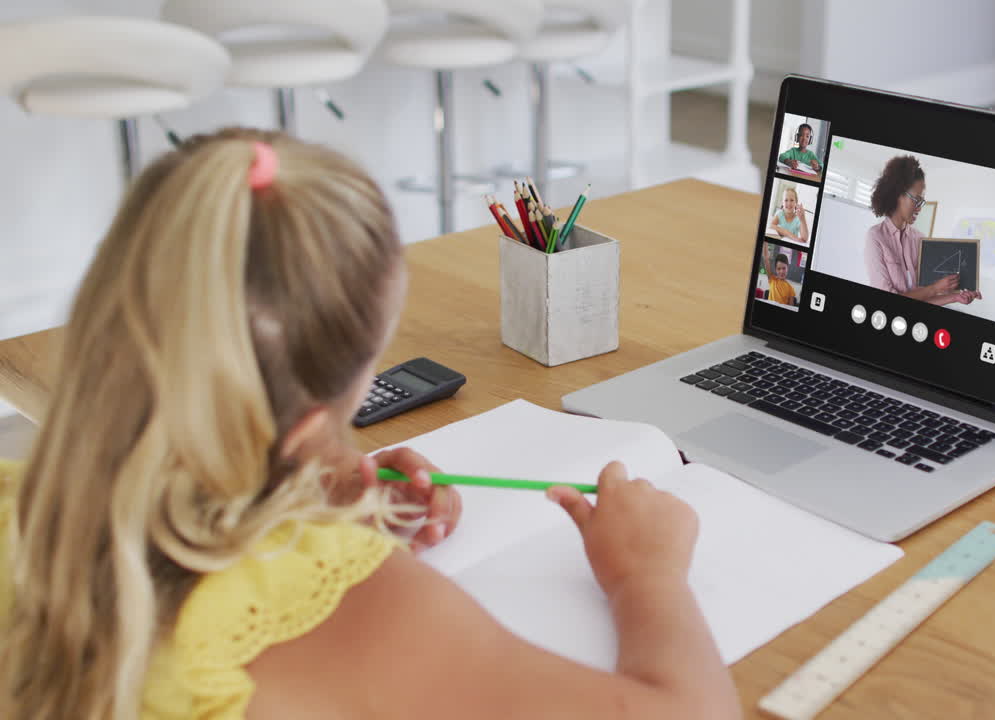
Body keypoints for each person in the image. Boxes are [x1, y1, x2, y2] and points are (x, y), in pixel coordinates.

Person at [0, 129, 740, 720]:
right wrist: (646, 575)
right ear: (305, 427)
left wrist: (293, 504)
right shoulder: (348, 611)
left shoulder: (17, 508)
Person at [864, 155, 981, 306]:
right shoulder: (876, 237)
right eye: (916, 200)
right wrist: (935, 288)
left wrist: (955, 297)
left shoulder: (919, 239)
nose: (919, 208)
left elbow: (924, 296)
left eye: (922, 202)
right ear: (898, 194)